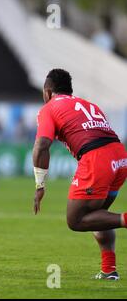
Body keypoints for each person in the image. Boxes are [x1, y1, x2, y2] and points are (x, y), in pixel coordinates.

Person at [32, 68, 127, 280]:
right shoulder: (88, 104)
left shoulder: (49, 108)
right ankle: (109, 270)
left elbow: (41, 145)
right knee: (99, 217)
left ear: (47, 92)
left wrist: (40, 185)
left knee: (76, 220)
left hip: (96, 159)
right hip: (119, 157)